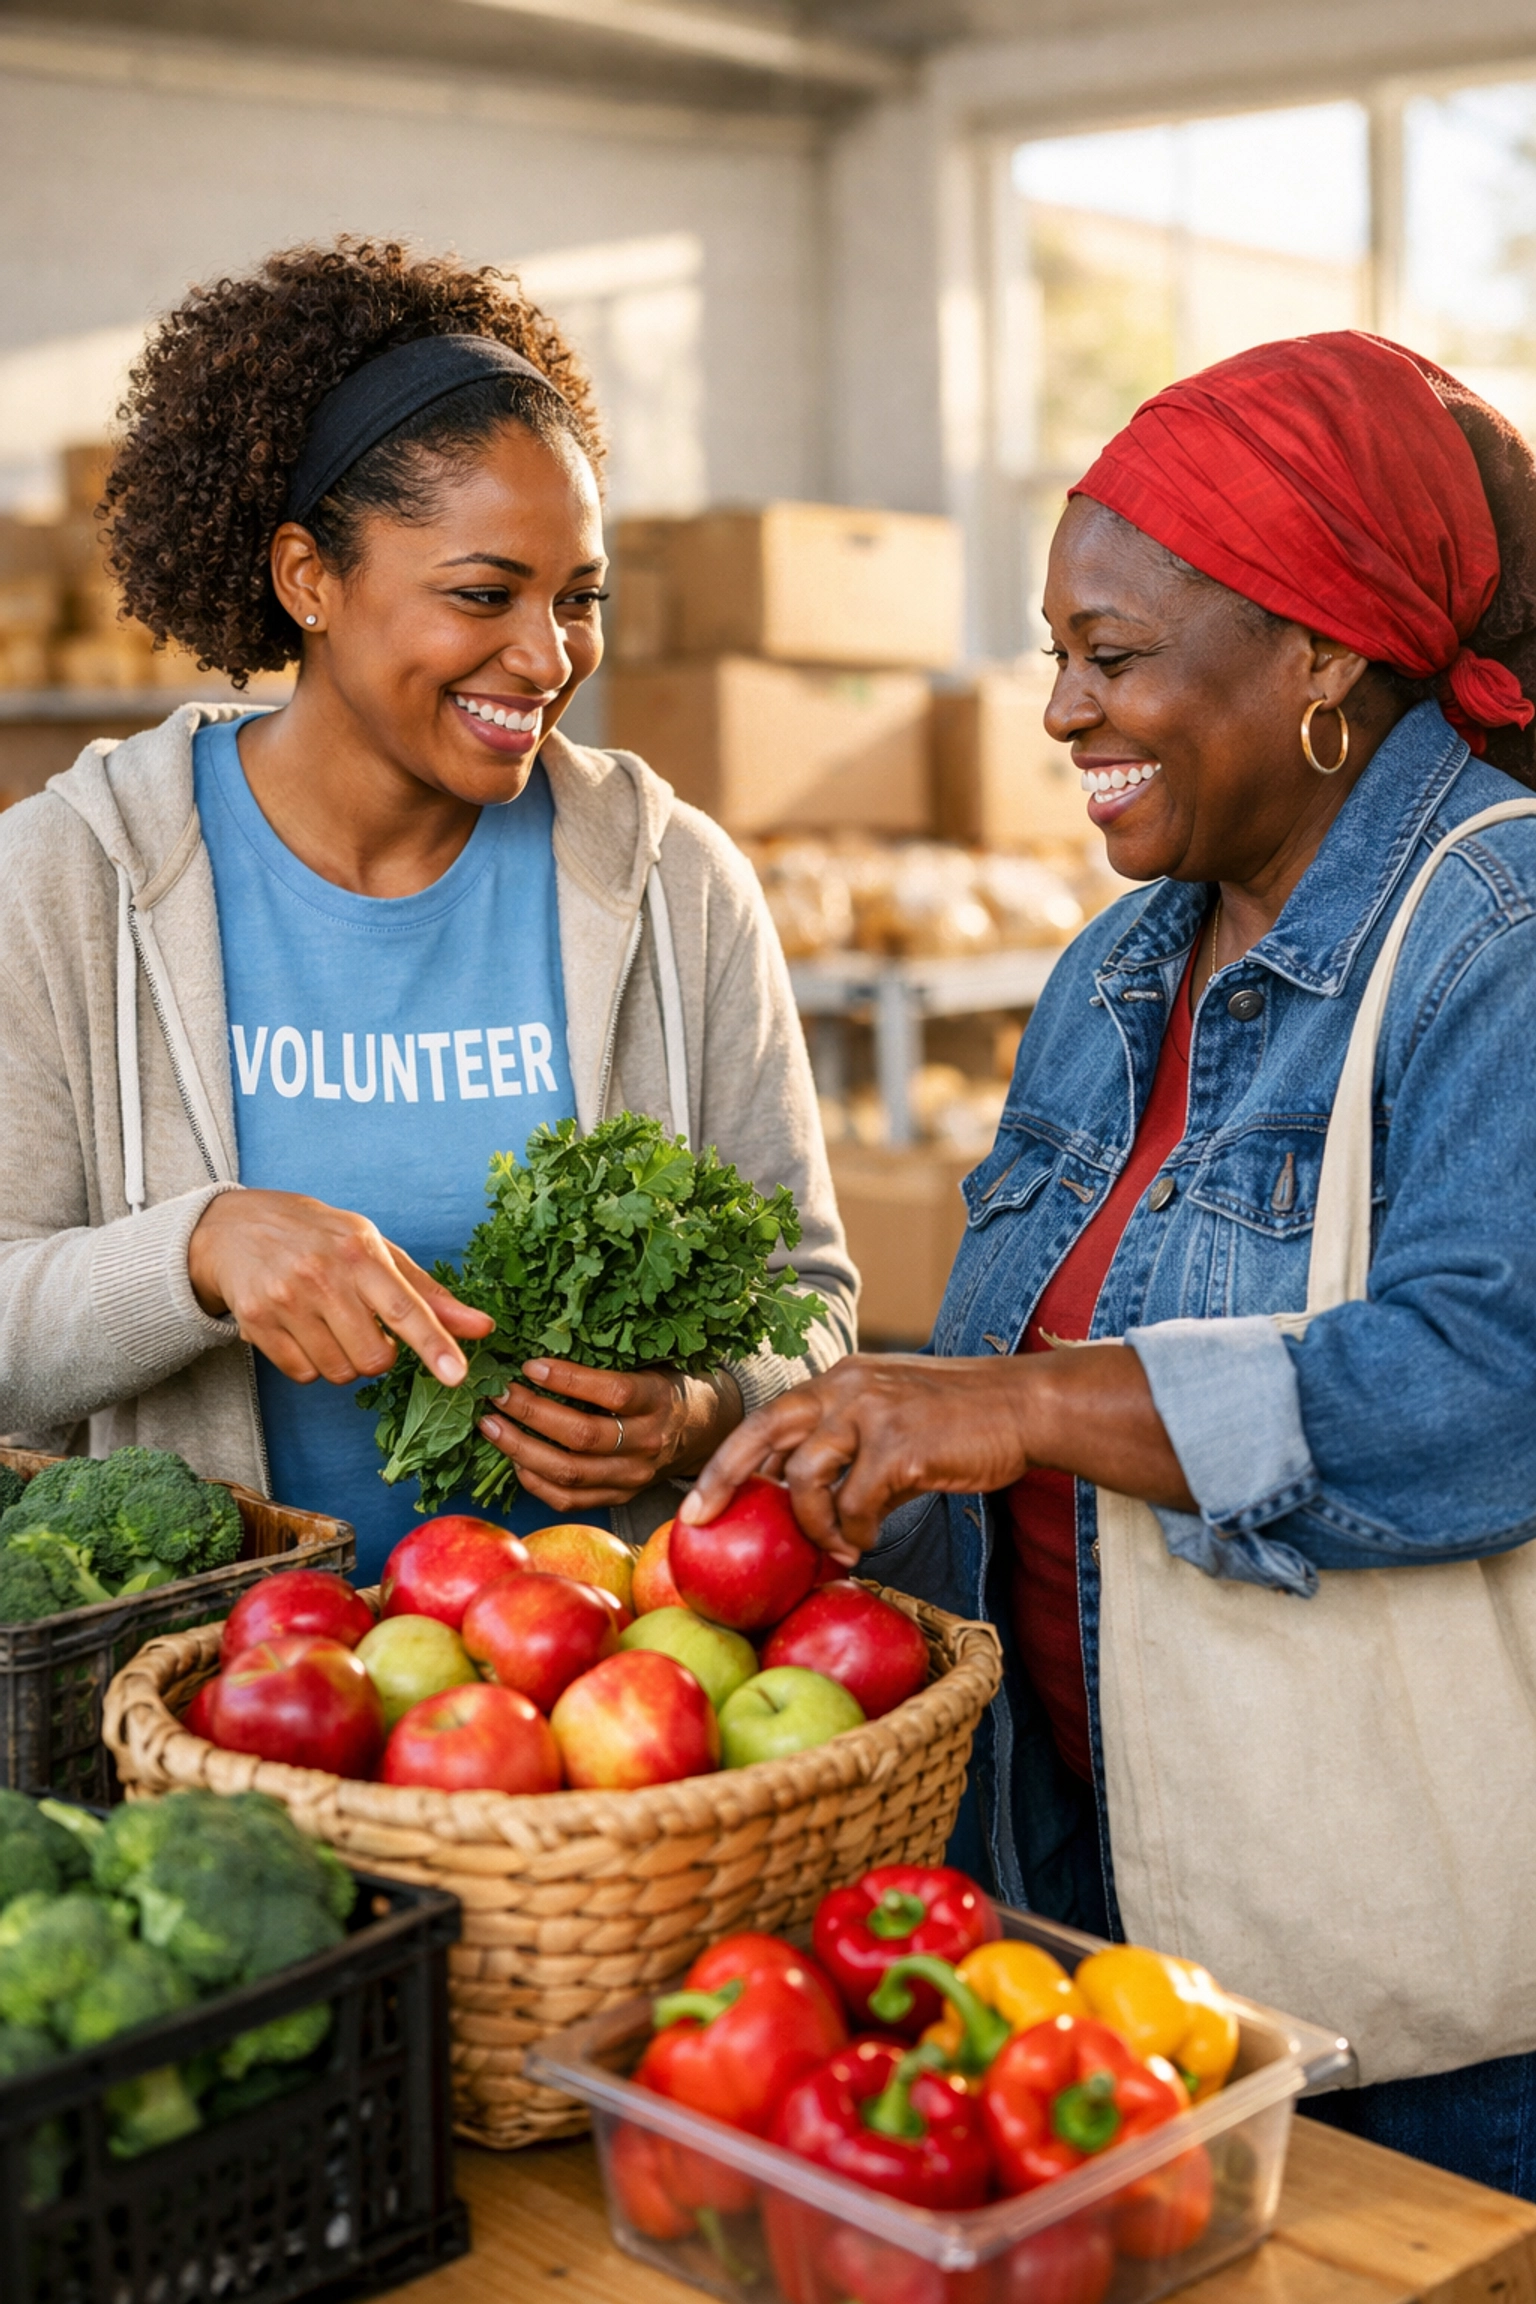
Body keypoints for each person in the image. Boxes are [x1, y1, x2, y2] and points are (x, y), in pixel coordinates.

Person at [685, 332, 1536, 2198]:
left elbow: (1489, 1391)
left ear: (1322, 655)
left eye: (1114, 653)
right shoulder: (1116, 969)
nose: (1061, 710)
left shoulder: (1498, 930)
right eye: (1055, 656)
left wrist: (1009, 1403)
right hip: (1091, 1911)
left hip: (1412, 2003)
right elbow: (1012, 1437)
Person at [0, 237, 854, 1583]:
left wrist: (701, 1414)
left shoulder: (675, 886)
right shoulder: (68, 882)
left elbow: (810, 1306)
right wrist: (199, 1250)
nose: (547, 656)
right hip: (203, 1695)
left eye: (580, 600)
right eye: (483, 595)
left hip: (583, 1717)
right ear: (309, 579)